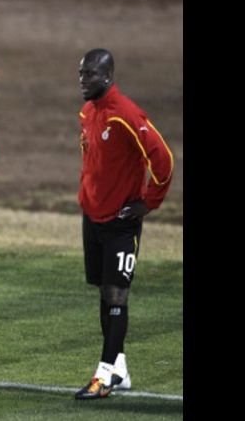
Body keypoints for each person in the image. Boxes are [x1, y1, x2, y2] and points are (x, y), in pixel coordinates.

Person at [74, 48, 174, 399]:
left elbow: (163, 159)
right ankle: (120, 371)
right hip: (94, 218)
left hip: (121, 222)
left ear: (108, 76)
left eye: (90, 74)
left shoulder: (126, 115)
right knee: (105, 294)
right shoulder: (88, 113)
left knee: (117, 295)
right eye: (81, 73)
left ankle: (103, 376)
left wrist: (148, 203)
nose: (83, 80)